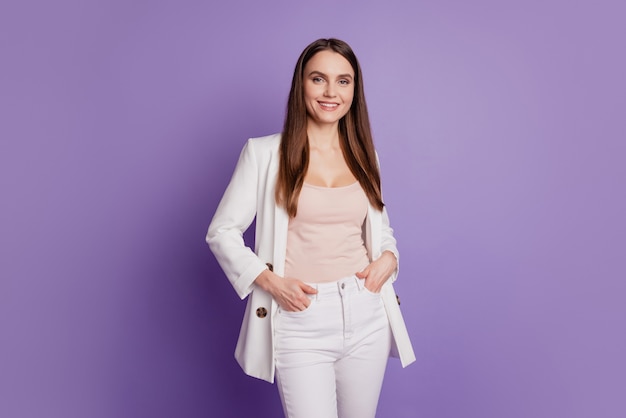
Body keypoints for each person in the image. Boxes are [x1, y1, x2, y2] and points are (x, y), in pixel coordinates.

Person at [207, 38, 415, 418]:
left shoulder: (365, 155)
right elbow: (222, 231)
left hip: (365, 311)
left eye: (343, 81)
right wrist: (270, 281)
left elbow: (379, 228)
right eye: (318, 79)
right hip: (300, 318)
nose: (331, 92)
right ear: (301, 85)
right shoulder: (264, 154)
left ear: (355, 89)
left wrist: (390, 257)